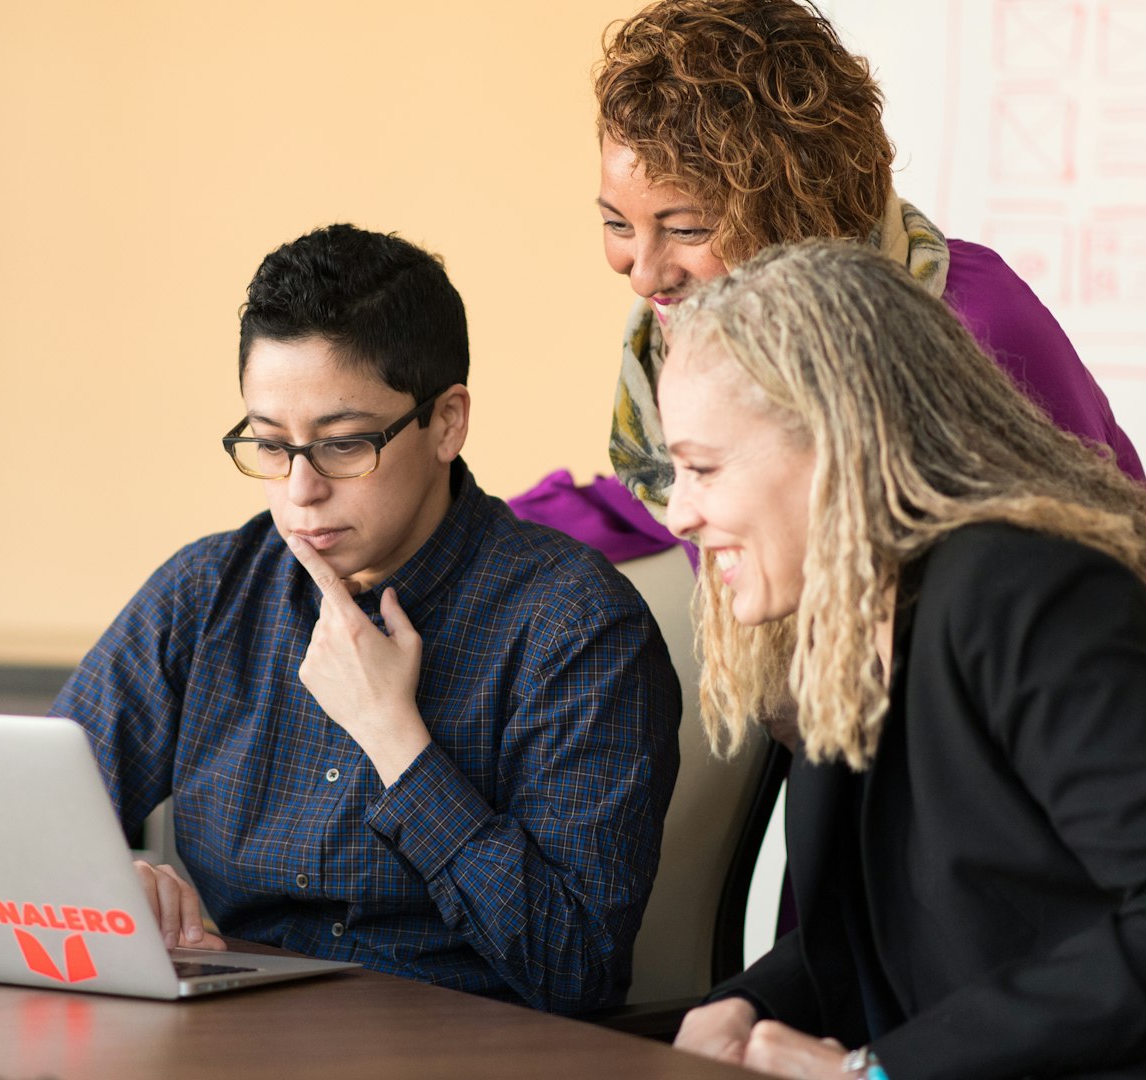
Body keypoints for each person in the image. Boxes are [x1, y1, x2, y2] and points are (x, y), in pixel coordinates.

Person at [657, 239, 1146, 1079]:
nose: (678, 514)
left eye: (702, 468)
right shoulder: (845, 621)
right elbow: (879, 935)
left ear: (837, 444)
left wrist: (875, 1072)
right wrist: (745, 1007)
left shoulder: (1032, 592)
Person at [49, 224, 682, 1014]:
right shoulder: (207, 593)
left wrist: (395, 738)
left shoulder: (576, 626)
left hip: (463, 1050)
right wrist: (105, 883)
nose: (300, 492)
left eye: (344, 445)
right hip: (233, 1042)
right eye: (270, 446)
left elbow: (574, 967)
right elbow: (27, 819)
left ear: (447, 422)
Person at [589, 0, 1146, 724]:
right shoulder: (688, 340)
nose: (643, 274)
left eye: (686, 229)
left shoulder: (969, 322)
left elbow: (1080, 595)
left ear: (790, 211)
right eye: (617, 224)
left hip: (1116, 718)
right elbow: (673, 487)